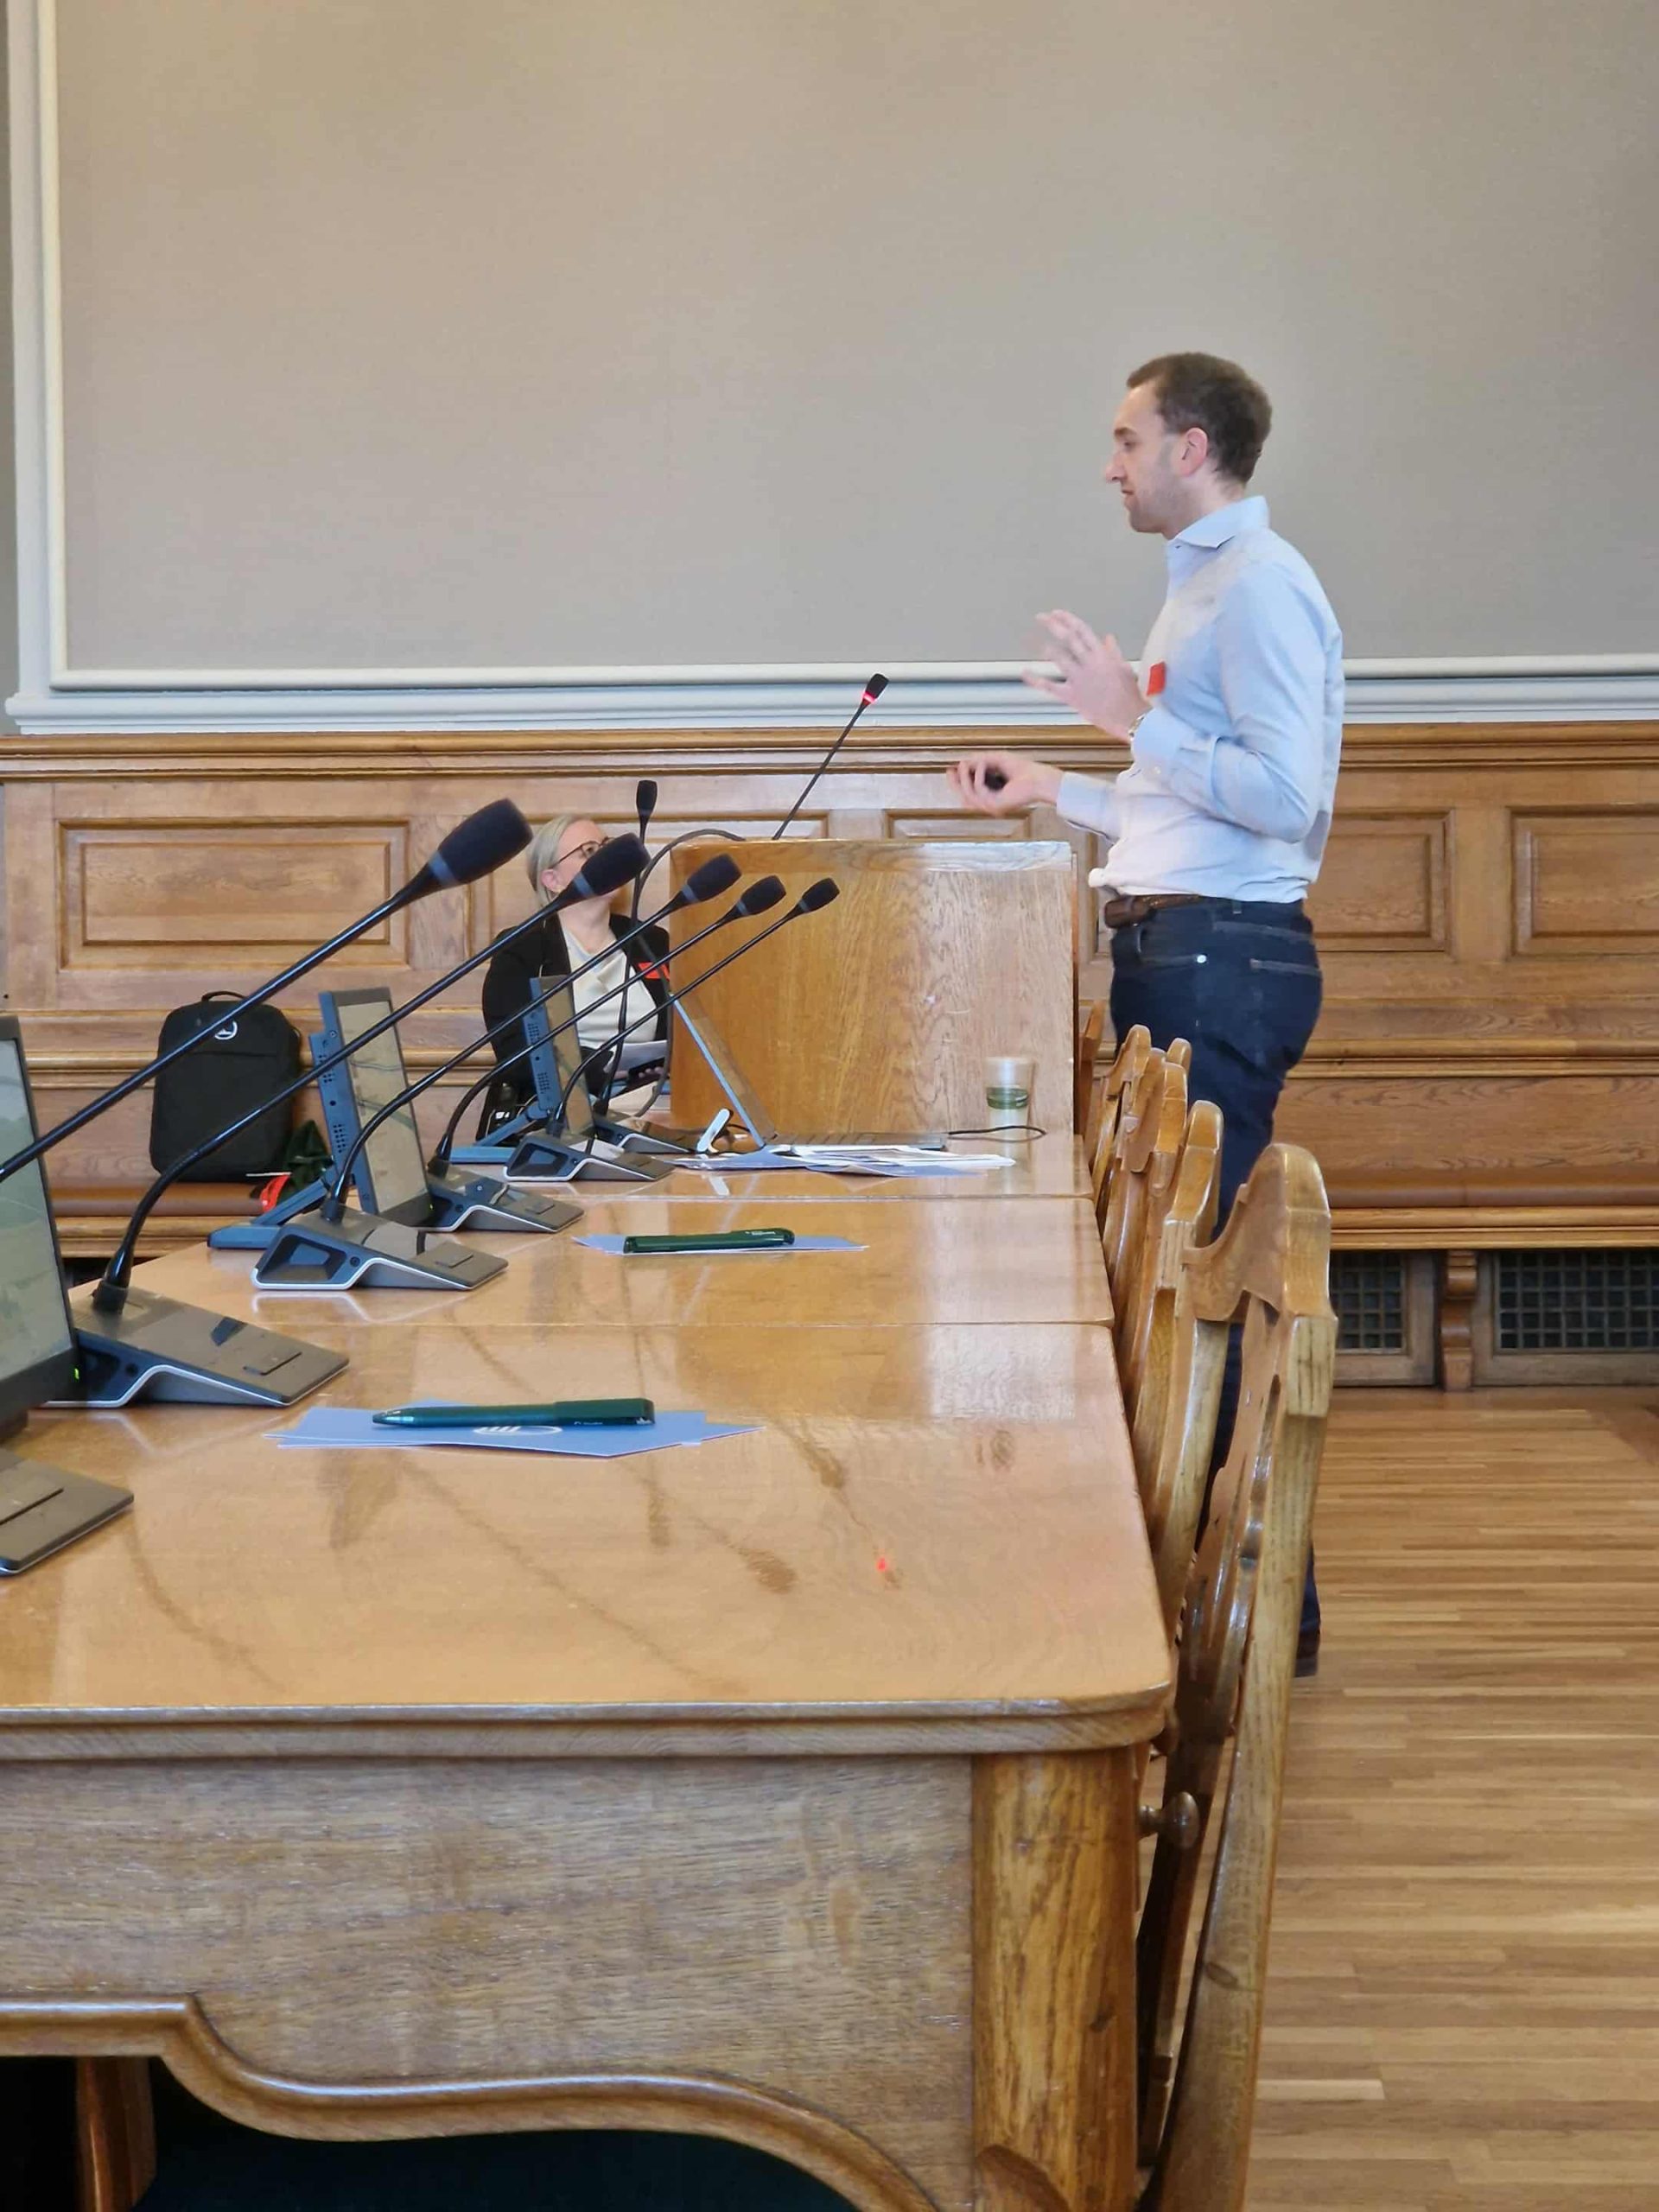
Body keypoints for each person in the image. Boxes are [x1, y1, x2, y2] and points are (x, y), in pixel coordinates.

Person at [950, 350, 1340, 1674]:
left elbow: (1283, 801)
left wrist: (1133, 719)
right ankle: (1223, 1605)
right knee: (1191, 1286)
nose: (1107, 464)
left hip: (1222, 957)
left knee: (1211, 1287)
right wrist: (1053, 785)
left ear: (1191, 447)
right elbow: (1183, 809)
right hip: (1186, 945)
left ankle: (1256, 1623)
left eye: (1126, 439)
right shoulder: (1202, 590)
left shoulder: (1260, 586)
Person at [478, 813, 669, 1128]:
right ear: (553, 880)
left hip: (649, 1110)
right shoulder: (522, 948)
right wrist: (601, 1067)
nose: (606, 857)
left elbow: (680, 1030)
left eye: (606, 846)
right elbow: (516, 1050)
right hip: (556, 1117)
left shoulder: (650, 941)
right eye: (589, 851)